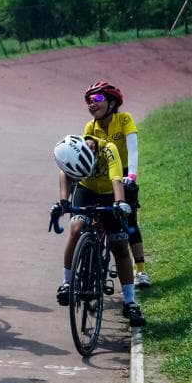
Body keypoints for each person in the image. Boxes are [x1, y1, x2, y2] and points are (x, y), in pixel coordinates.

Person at [52, 134, 146, 327]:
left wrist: (120, 203)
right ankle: (67, 282)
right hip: (86, 191)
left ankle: (130, 302)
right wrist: (63, 202)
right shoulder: (75, 148)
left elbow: (116, 178)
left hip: (110, 193)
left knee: (119, 245)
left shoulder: (108, 149)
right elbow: (65, 173)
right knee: (76, 228)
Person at [82, 81, 151, 289]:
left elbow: (133, 149)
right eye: (89, 100)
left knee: (129, 223)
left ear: (112, 103)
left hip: (123, 175)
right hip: (101, 177)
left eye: (98, 99)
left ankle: (141, 270)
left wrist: (131, 175)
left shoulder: (124, 119)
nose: (92, 103)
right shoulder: (90, 127)